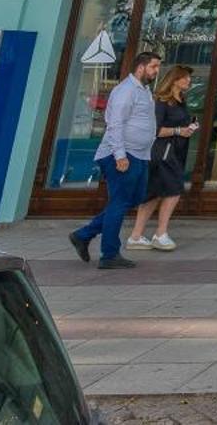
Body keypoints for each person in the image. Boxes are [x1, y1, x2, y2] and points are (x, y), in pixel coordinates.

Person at [69, 51, 160, 270]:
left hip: (138, 154)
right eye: (154, 67)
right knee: (119, 202)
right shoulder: (126, 91)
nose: (156, 71)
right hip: (121, 154)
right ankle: (109, 254)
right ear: (141, 67)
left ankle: (84, 234)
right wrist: (120, 155)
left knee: (135, 198)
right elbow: (115, 124)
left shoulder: (144, 90)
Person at [127, 64, 197, 252]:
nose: (188, 81)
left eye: (189, 78)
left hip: (175, 151)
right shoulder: (160, 101)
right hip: (162, 153)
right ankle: (160, 233)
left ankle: (136, 235)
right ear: (174, 79)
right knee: (173, 190)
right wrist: (178, 130)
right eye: (185, 77)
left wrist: (188, 128)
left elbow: (179, 126)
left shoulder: (181, 101)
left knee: (155, 193)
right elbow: (154, 129)